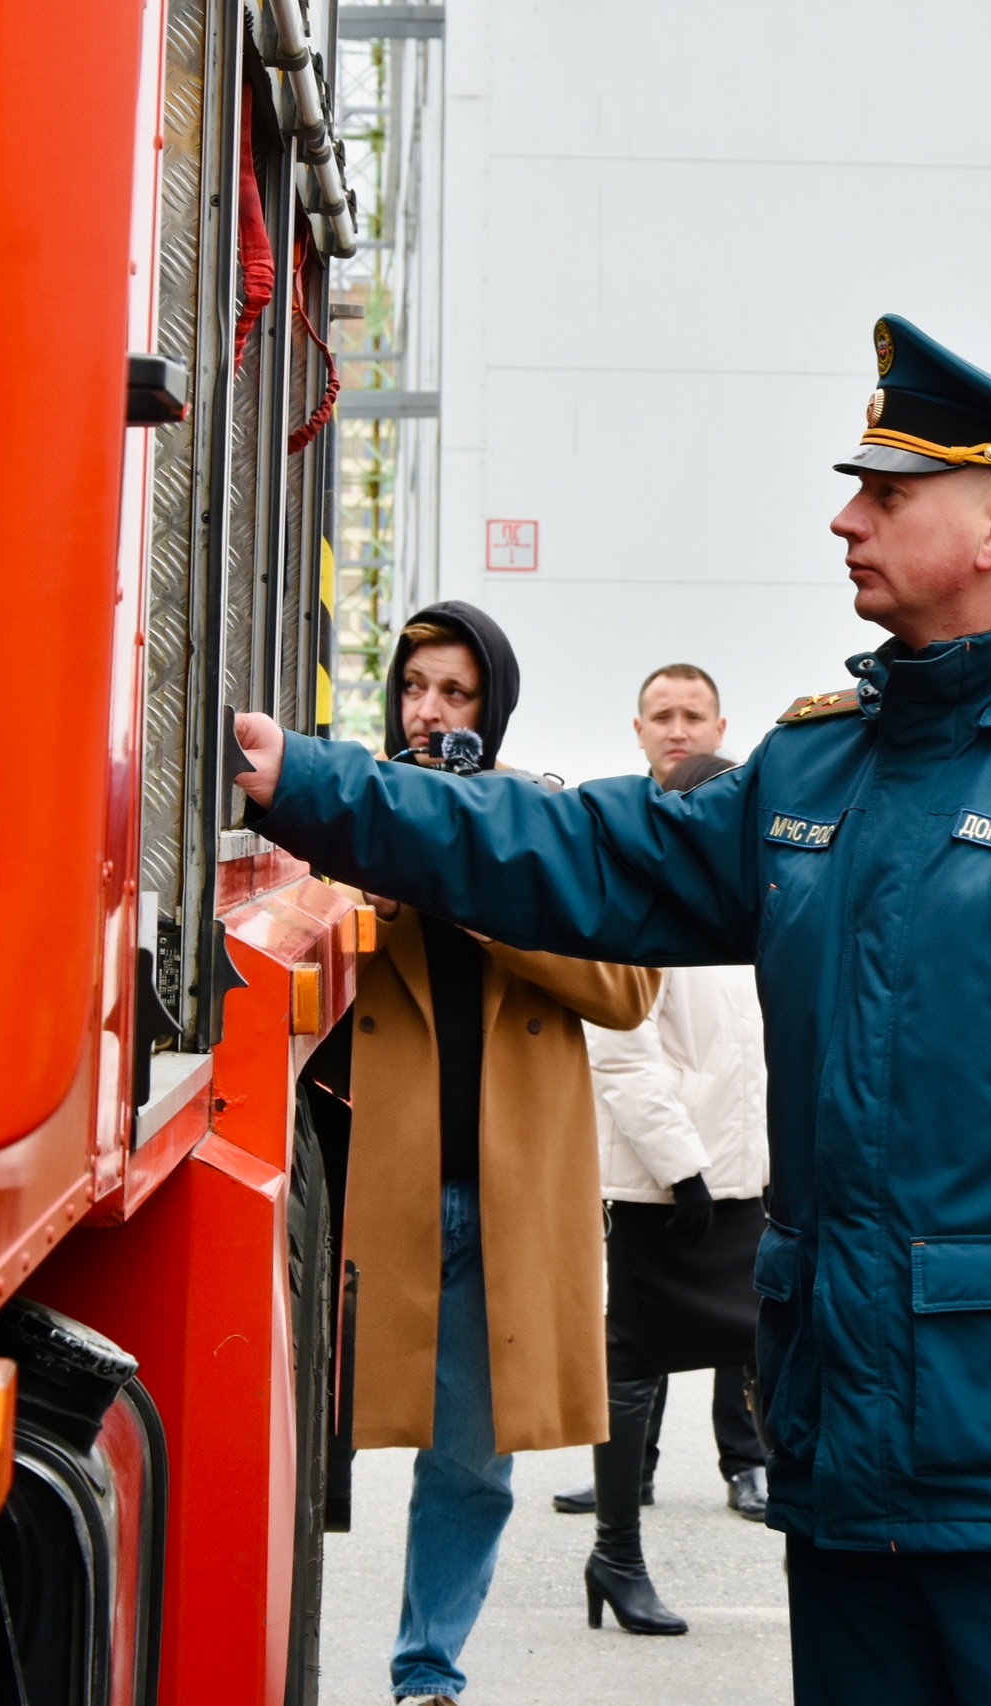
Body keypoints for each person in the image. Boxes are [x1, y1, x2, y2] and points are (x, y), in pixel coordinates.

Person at [230, 314, 991, 1706]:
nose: (845, 518)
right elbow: (579, 852)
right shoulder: (818, 766)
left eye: (887, 493)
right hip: (843, 1461)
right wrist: (310, 784)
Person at [336, 602, 662, 1703]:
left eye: (456, 693)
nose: (429, 713)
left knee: (473, 1462)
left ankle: (427, 1673)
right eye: (413, 687)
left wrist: (485, 890)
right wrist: (361, 900)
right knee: (305, 1437)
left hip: (510, 1195)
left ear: (495, 707)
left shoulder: (544, 819)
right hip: (376, 1191)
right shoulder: (352, 813)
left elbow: (629, 987)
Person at [553, 672, 769, 1552]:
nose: (678, 729)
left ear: (720, 727)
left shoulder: (756, 878)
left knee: (748, 1322)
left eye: (693, 716)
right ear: (639, 729)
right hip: (665, 1159)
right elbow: (621, 1046)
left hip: (749, 1152)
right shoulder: (631, 865)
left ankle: (745, 1461)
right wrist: (681, 1163)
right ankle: (628, 1474)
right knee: (642, 1331)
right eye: (663, 716)